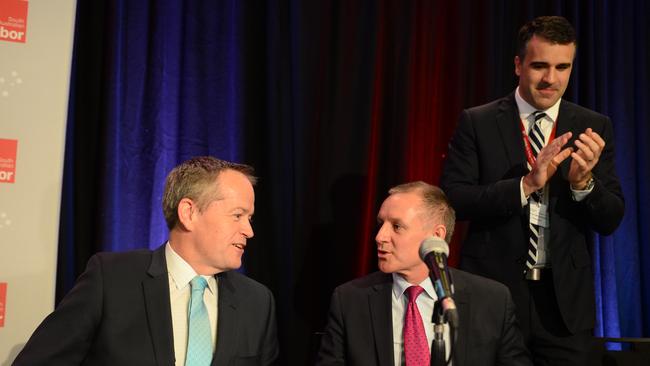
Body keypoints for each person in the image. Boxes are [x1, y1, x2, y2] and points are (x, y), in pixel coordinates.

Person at [440, 16, 624, 366]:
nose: (550, 79)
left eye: (562, 67)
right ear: (518, 64)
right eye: (539, 65)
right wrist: (526, 185)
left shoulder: (593, 125)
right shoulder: (477, 122)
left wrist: (584, 184)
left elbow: (612, 217)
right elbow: (455, 201)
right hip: (493, 294)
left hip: (563, 307)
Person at [13, 157, 279, 365]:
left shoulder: (256, 303)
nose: (249, 230)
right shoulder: (111, 281)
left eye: (250, 218)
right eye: (237, 215)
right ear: (189, 213)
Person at [316, 181, 532, 366]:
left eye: (397, 226)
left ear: (435, 236)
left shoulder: (492, 301)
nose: (380, 237)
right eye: (381, 224)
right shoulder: (350, 301)